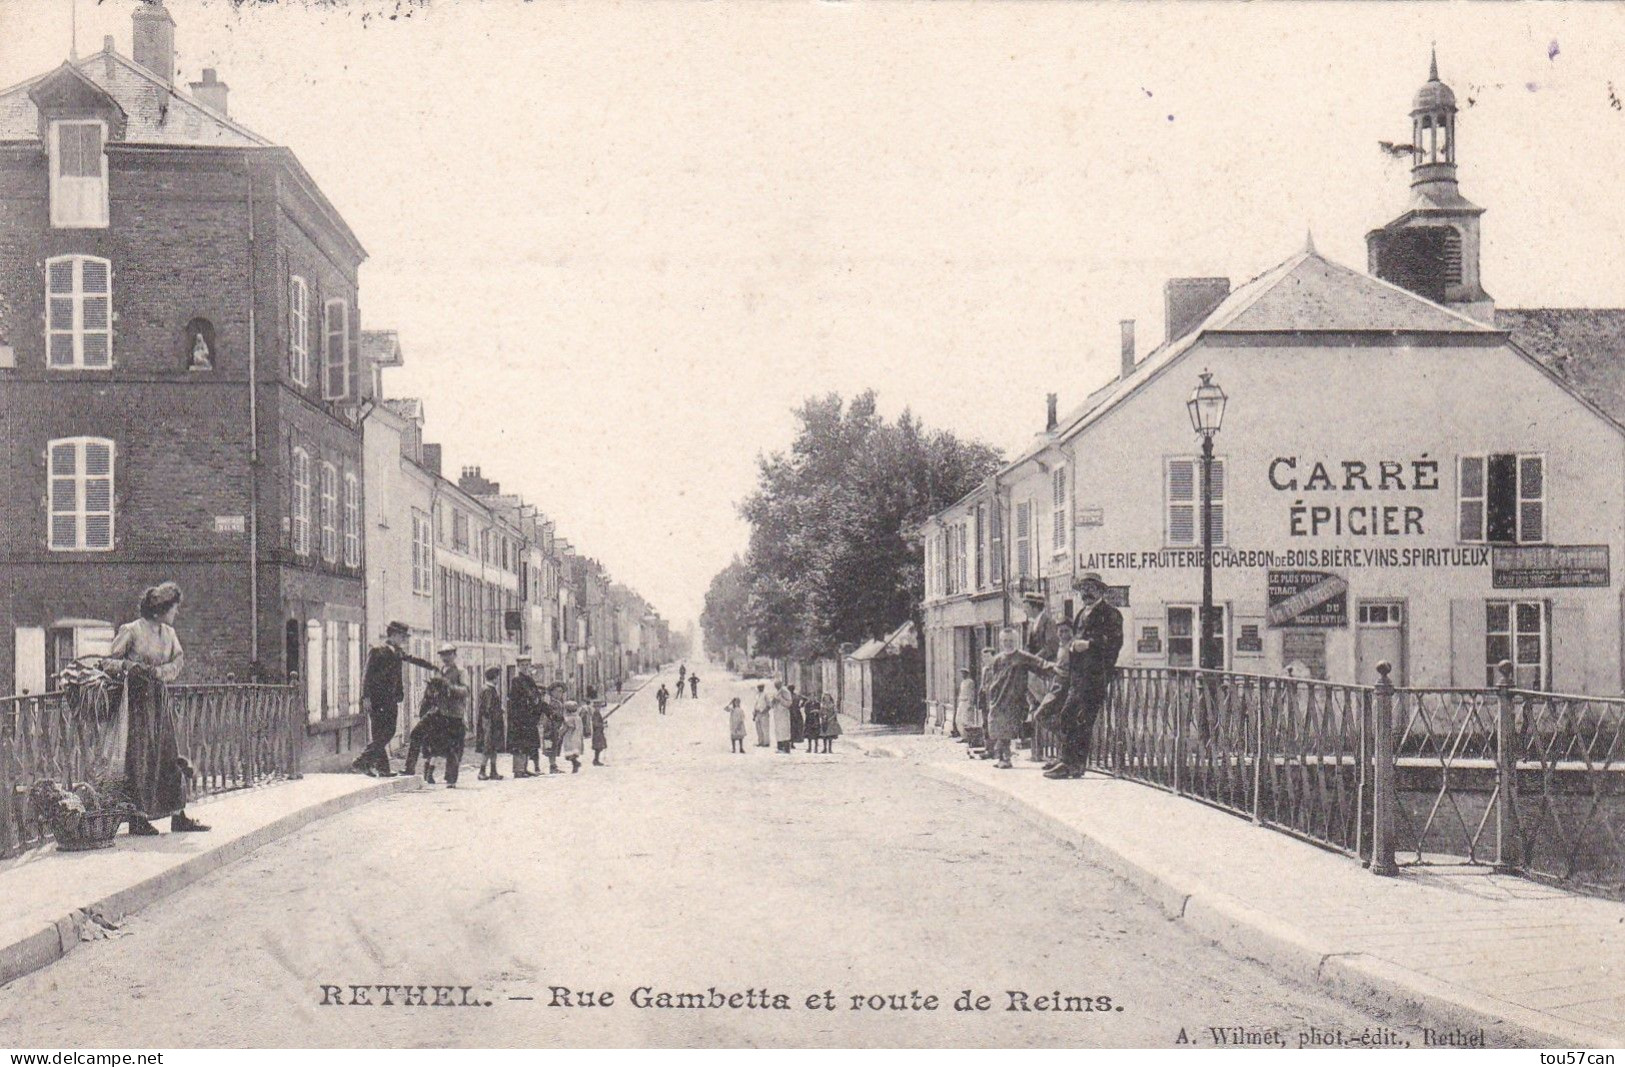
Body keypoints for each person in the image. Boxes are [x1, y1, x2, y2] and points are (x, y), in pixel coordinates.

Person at [109, 582, 208, 834]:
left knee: (168, 753)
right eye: (173, 608)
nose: (175, 613)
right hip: (137, 701)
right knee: (140, 755)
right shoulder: (131, 630)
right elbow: (108, 662)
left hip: (159, 698)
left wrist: (160, 673)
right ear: (159, 609)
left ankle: (177, 814)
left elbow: (178, 661)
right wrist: (131, 669)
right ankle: (137, 817)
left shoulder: (169, 634)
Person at [1046, 573, 1125, 781]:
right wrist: (1073, 647)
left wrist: (1089, 644)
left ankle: (1074, 764)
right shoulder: (1081, 613)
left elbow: (1114, 643)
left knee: (1082, 720)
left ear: (1100, 591)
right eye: (1083, 589)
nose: (1086, 593)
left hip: (1096, 677)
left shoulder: (1110, 614)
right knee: (1067, 716)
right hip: (1078, 677)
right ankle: (1067, 760)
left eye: (1090, 589)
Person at [354, 621, 438, 777]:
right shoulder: (377, 651)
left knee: (383, 734)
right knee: (386, 733)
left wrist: (432, 667)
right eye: (402, 636)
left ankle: (382, 769)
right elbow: (366, 676)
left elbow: (414, 660)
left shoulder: (398, 652)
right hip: (376, 699)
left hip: (391, 699)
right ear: (392, 635)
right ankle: (363, 761)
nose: (404, 640)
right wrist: (365, 697)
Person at [982, 626, 1051, 769]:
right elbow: (994, 679)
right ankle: (1001, 756)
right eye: (1005, 640)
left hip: (1014, 698)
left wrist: (1057, 669)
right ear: (1001, 642)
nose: (1008, 643)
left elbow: (1040, 664)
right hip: (998, 699)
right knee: (996, 727)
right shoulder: (997, 659)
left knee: (1006, 728)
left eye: (1011, 640)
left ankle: (1006, 758)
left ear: (1017, 641)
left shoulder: (1022, 657)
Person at [404, 676, 457, 784]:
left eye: (431, 689)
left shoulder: (440, 700)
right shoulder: (430, 701)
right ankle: (423, 772)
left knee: (434, 751)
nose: (428, 690)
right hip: (429, 728)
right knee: (432, 752)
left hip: (436, 729)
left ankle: (428, 773)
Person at [434, 644, 469, 787]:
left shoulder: (461, 671)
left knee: (455, 747)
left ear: (454, 655)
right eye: (443, 655)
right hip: (441, 713)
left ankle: (451, 778)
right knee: (445, 745)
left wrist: (450, 687)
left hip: (456, 714)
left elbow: (465, 691)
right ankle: (432, 772)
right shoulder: (439, 671)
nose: (445, 658)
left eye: (448, 654)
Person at [508, 659, 543, 778]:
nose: (524, 667)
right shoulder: (516, 681)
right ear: (518, 666)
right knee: (519, 743)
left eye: (526, 665)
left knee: (527, 742)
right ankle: (518, 770)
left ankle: (524, 767)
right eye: (522, 665)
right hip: (518, 716)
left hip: (528, 715)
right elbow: (515, 699)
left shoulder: (529, 680)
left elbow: (536, 694)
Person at [475, 667, 506, 781]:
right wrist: (499, 711)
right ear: (494, 677)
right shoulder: (488, 690)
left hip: (492, 722)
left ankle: (493, 771)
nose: (498, 679)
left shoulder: (489, 689)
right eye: (497, 676)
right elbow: (488, 709)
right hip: (489, 723)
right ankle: (482, 771)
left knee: (493, 747)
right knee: (487, 747)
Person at [543, 682, 568, 773]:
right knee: (551, 746)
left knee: (555, 745)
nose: (559, 694)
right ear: (552, 692)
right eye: (557, 691)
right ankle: (552, 766)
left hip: (556, 726)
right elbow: (552, 715)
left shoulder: (559, 702)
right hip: (551, 727)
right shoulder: (551, 703)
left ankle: (553, 765)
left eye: (561, 692)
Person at [559, 699, 584, 773]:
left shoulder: (568, 719)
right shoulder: (578, 718)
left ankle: (575, 764)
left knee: (569, 754)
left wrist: (560, 733)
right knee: (574, 752)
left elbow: (565, 728)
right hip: (577, 737)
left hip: (570, 738)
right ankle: (575, 765)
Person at [953, 667, 976, 743]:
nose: (962, 675)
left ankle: (968, 737)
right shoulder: (963, 682)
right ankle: (963, 736)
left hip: (967, 702)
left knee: (966, 720)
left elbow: (971, 693)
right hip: (961, 701)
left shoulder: (970, 682)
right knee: (958, 719)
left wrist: (970, 703)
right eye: (962, 673)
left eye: (964, 673)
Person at [771, 682, 794, 753]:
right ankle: (780, 747)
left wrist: (780, 699)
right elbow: (772, 704)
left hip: (783, 714)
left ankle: (786, 748)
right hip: (777, 714)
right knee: (778, 731)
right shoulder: (776, 692)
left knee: (784, 731)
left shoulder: (785, 691)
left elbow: (789, 703)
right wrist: (773, 701)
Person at [788, 684, 806, 750]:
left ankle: (790, 743)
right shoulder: (797, 696)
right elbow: (805, 699)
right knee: (794, 728)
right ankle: (792, 743)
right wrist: (801, 705)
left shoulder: (789, 696)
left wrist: (801, 705)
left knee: (791, 728)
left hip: (790, 713)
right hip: (796, 712)